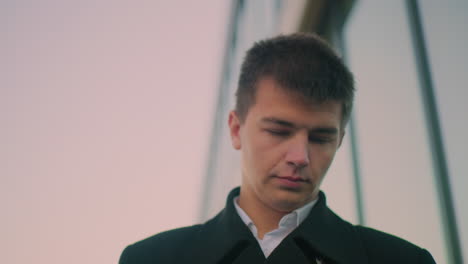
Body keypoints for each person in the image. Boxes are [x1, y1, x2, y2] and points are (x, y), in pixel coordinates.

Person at [119, 33, 436, 264]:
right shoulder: (149, 258)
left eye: (320, 137)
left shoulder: (403, 259)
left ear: (339, 141)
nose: (299, 157)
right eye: (278, 131)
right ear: (235, 129)